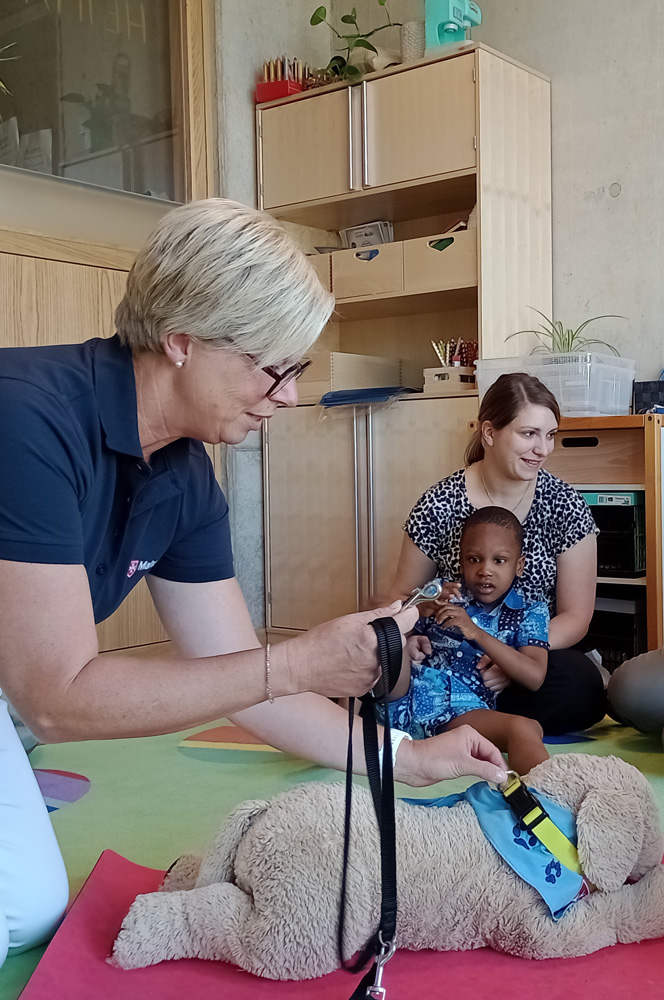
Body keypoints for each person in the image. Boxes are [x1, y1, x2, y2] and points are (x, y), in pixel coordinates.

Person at [0, 199, 507, 969]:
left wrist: (410, 756)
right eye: (275, 368)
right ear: (181, 340)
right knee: (23, 906)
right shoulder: (27, 418)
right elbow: (57, 700)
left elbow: (244, 678)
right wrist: (300, 661)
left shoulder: (182, 475)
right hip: (28, 696)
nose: (292, 395)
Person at [386, 372, 606, 737]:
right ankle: (455, 714)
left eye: (550, 435)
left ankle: (450, 720)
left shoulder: (566, 505)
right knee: (378, 657)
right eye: (529, 434)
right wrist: (411, 640)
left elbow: (576, 616)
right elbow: (402, 596)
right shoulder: (439, 503)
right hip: (447, 658)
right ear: (489, 433)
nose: (543, 449)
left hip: (526, 659)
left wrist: (511, 656)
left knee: (582, 684)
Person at [387, 507, 550, 774]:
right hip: (402, 695)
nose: (485, 570)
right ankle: (346, 730)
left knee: (526, 727)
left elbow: (535, 676)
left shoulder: (531, 611)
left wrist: (476, 633)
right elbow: (388, 624)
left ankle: (546, 793)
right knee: (375, 636)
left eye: (499, 561)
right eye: (474, 560)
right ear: (461, 563)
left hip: (462, 714)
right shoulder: (443, 591)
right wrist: (418, 613)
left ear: (519, 565)